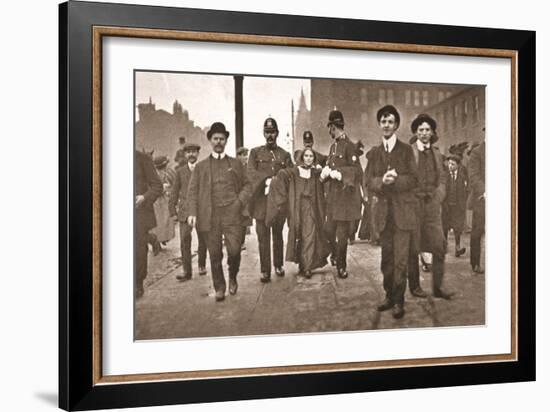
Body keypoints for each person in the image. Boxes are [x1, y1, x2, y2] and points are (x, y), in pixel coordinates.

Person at [187, 122, 252, 301]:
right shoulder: (201, 167)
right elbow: (192, 191)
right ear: (210, 141)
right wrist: (192, 213)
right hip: (211, 215)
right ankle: (220, 287)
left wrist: (239, 202)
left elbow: (247, 185)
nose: (218, 142)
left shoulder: (236, 163)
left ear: (226, 141)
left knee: (234, 251)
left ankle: (232, 275)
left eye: (222, 139)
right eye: (215, 138)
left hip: (232, 213)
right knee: (214, 253)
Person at [366, 105, 418, 319]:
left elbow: (414, 179)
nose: (386, 125)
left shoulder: (406, 151)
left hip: (403, 215)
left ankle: (399, 300)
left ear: (396, 125)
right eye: (383, 121)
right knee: (387, 259)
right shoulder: (375, 153)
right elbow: (368, 180)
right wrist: (381, 182)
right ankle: (389, 296)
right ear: (380, 125)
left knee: (400, 260)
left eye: (390, 121)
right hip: (384, 216)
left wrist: (396, 180)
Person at [407, 114, 454, 300]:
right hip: (414, 207)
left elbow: (443, 178)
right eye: (421, 130)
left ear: (432, 132)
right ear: (416, 132)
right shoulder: (409, 153)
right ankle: (415, 287)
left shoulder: (436, 153)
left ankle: (437, 288)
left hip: (433, 207)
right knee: (413, 247)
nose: (424, 133)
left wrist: (439, 195)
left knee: (439, 246)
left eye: (427, 130)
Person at [266, 148, 330, 279]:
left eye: (311, 156)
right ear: (302, 157)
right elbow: (281, 176)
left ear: (314, 158)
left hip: (310, 208)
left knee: (309, 235)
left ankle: (307, 267)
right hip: (296, 209)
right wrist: (271, 182)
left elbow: (326, 176)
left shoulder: (316, 172)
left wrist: (327, 173)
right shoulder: (293, 172)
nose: (308, 158)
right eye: (306, 156)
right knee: (299, 234)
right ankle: (302, 263)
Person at [248, 117, 293, 283]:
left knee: (278, 236)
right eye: (267, 132)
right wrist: (266, 179)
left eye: (273, 132)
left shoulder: (284, 154)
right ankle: (265, 270)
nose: (270, 136)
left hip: (278, 204)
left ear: (277, 133)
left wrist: (276, 182)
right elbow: (251, 173)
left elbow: (291, 174)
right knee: (262, 238)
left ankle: (278, 265)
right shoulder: (255, 153)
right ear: (263, 133)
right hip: (261, 203)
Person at [321, 109, 362, 278]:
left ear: (333, 127)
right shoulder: (332, 147)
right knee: (328, 231)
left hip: (345, 199)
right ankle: (335, 254)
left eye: (330, 127)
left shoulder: (350, 146)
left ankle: (341, 266)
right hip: (332, 198)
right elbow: (330, 167)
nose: (329, 131)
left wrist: (339, 173)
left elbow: (356, 171)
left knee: (342, 235)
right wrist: (325, 173)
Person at [169, 142, 208, 281]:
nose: (191, 154)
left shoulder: (204, 169)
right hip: (185, 212)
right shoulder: (180, 172)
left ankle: (202, 264)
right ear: (185, 155)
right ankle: (187, 271)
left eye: (194, 151)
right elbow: (174, 192)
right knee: (185, 239)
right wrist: (173, 212)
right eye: (188, 152)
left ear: (198, 153)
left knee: (203, 239)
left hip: (202, 210)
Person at [135, 150, 163, 298]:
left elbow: (158, 186)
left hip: (138, 214)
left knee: (138, 249)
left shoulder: (142, 159)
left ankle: (137, 282)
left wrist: (144, 198)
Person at [442, 154, 469, 257]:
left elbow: (467, 190)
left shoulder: (462, 177)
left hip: (458, 207)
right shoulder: (445, 176)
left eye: (452, 164)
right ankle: (444, 246)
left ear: (458, 165)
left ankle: (458, 247)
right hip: (446, 206)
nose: (450, 166)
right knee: (444, 227)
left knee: (458, 228)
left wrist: (463, 203)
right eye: (449, 164)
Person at [468, 133, 485, 274]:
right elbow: (473, 175)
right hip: (482, 198)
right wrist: (485, 191)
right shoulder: (477, 151)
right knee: (477, 231)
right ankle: (475, 263)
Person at [151, 155, 176, 246]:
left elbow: (173, 183)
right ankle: (158, 239)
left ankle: (163, 238)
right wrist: (163, 188)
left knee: (166, 219)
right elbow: (152, 187)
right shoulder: (154, 174)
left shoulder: (168, 172)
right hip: (157, 200)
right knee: (159, 220)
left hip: (164, 199)